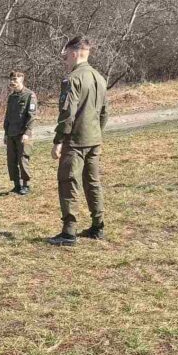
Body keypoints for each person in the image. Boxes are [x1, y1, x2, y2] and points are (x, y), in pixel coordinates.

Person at [48, 35, 109, 246]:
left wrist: (58, 141)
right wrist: (96, 133)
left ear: (74, 53)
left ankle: (69, 232)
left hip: (75, 141)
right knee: (93, 183)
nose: (65, 59)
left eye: (66, 55)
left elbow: (67, 115)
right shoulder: (99, 78)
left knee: (68, 183)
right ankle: (98, 226)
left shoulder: (72, 79)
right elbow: (104, 113)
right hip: (94, 139)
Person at [3, 70, 37, 194]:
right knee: (11, 161)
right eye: (11, 80)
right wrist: (6, 133)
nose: (12, 82)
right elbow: (8, 116)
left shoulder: (29, 95)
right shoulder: (12, 97)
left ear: (21, 80)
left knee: (23, 160)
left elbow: (32, 116)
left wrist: (27, 133)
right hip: (11, 133)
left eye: (15, 80)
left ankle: (25, 185)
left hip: (23, 134)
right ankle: (16, 185)